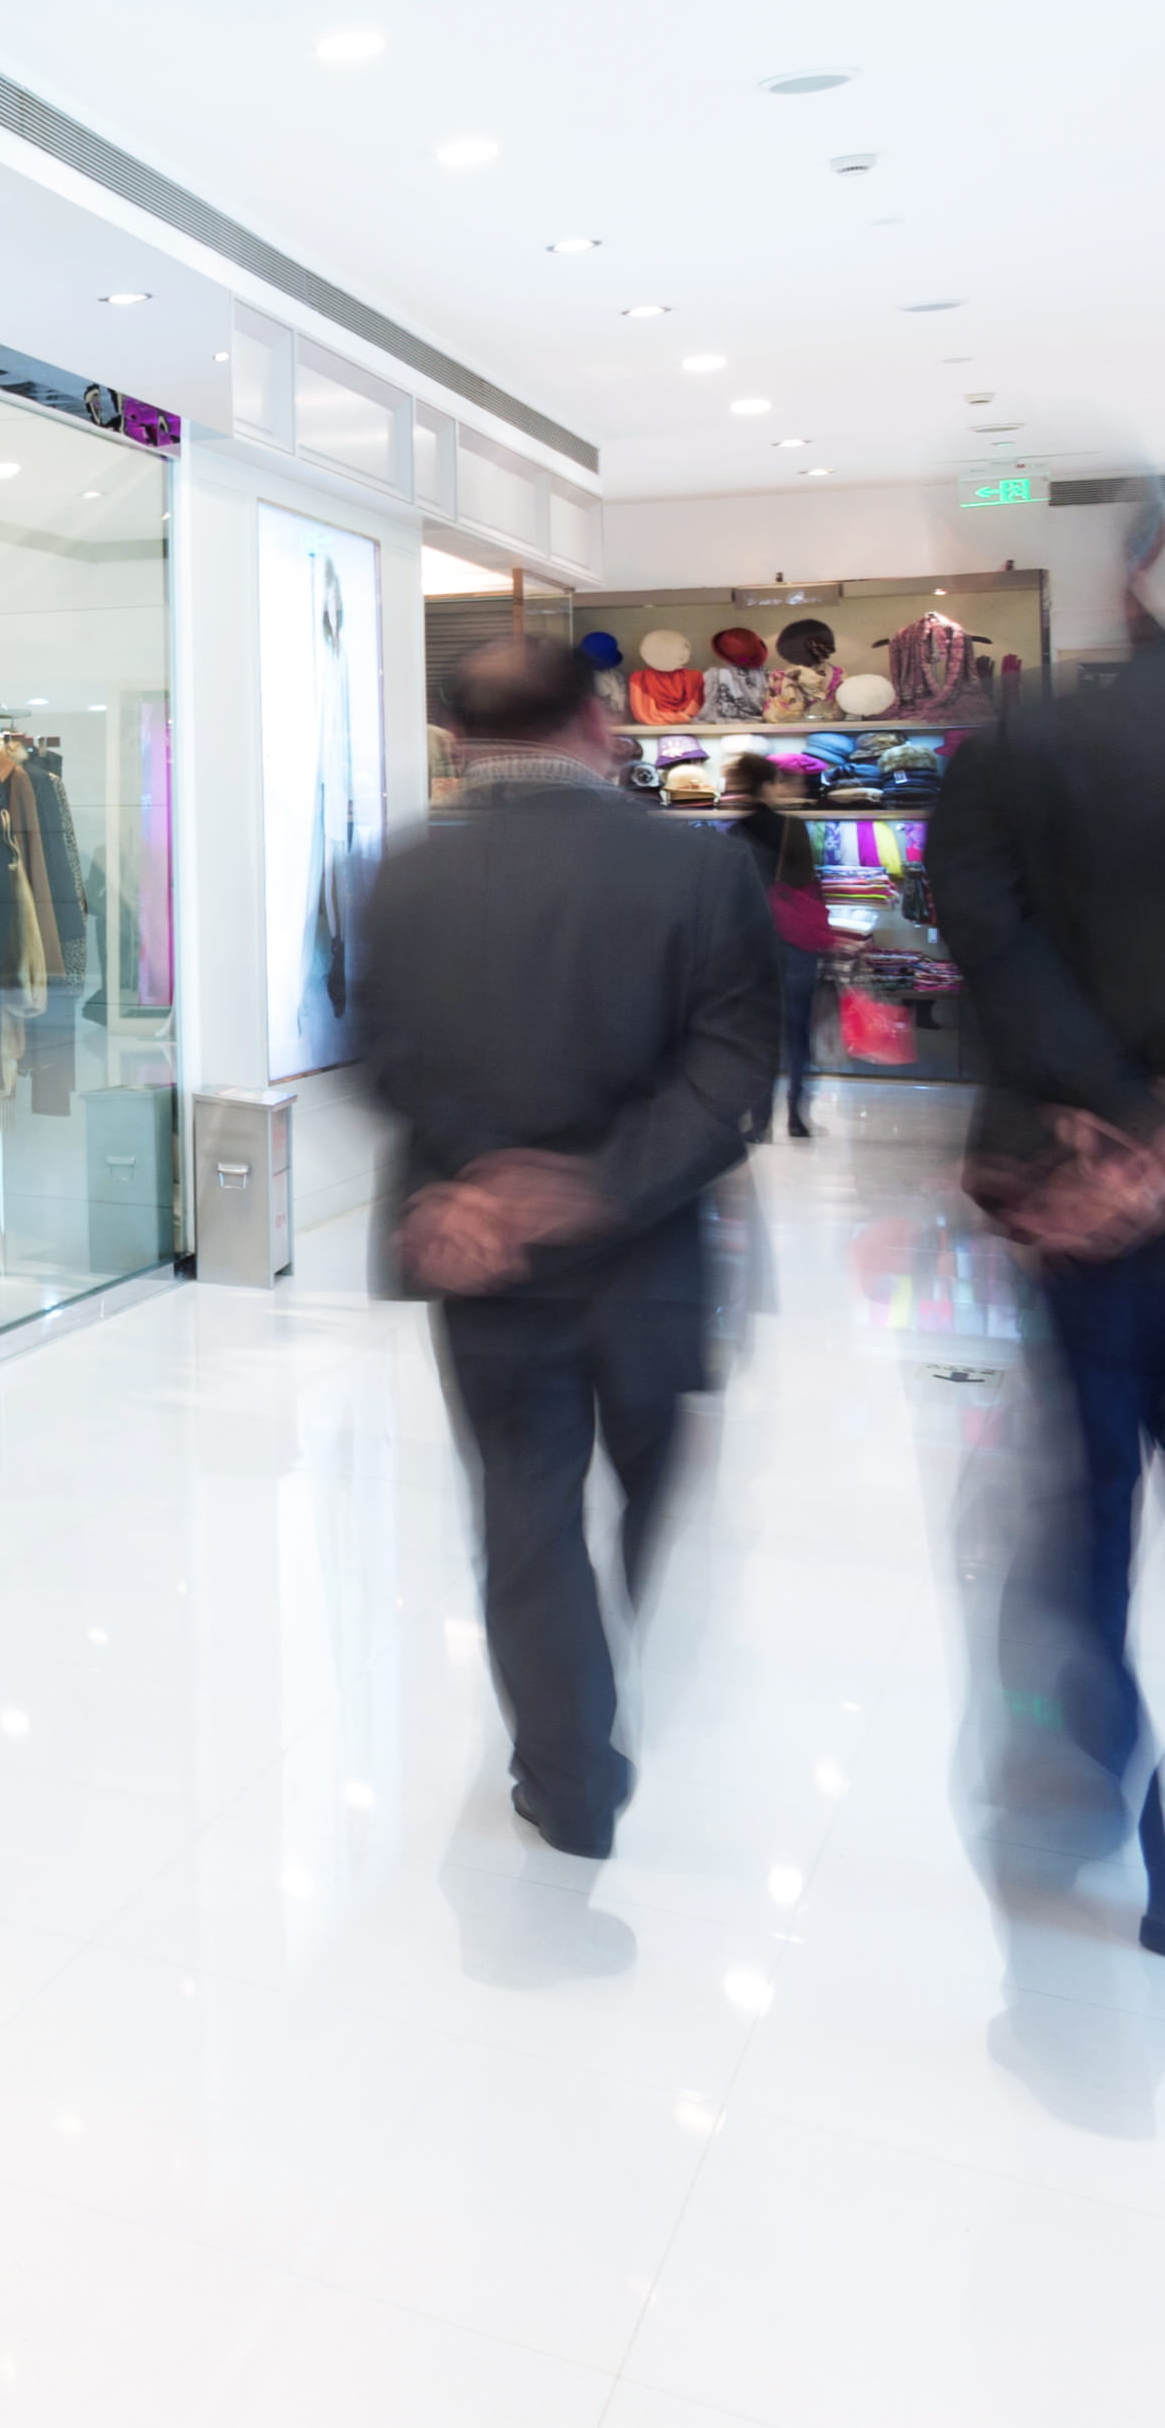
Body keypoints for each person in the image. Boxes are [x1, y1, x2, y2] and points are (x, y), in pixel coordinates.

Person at [358, 634, 773, 1858]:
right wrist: (594, 1186)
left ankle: (566, 1771)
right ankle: (608, 1670)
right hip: (646, 1251)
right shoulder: (695, 868)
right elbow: (731, 1073)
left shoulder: (400, 874)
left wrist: (472, 1186)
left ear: (456, 740)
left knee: (525, 1507)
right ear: (595, 723)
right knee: (649, 1483)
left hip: (473, 1251)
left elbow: (381, 1054)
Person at [924, 503, 1165, 1951]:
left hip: (1079, 1200)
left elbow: (987, 942)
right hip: (1094, 1186)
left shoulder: (1018, 752)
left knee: (1079, 1515)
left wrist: (1111, 1118)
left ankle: (1078, 1789)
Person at [724, 752, 832, 1140]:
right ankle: (797, 1116)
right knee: (798, 1030)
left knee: (759, 1033)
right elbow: (807, 881)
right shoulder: (793, 828)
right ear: (769, 784)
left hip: (752, 945)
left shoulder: (732, 835)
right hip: (795, 942)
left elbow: (729, 897)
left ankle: (759, 1120)